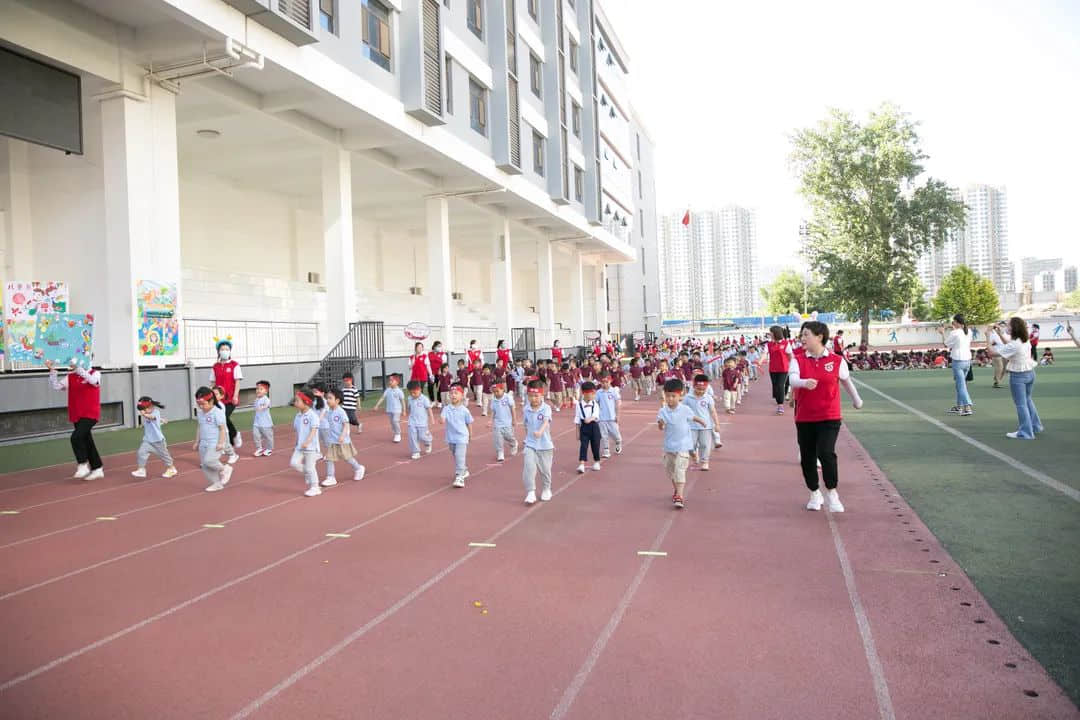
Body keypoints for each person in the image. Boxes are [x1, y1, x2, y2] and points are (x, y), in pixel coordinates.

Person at [787, 321, 863, 512]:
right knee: (807, 457)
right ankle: (814, 493)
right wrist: (804, 383)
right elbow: (793, 379)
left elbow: (846, 381)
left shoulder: (836, 360)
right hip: (805, 417)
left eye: (806, 335)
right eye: (801, 335)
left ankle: (832, 493)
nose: (802, 338)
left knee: (826, 452)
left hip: (830, 415)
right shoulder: (798, 359)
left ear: (819, 336)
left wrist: (856, 399)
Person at [45, 359, 105, 480]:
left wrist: (78, 369)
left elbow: (94, 382)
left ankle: (82, 464)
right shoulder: (70, 377)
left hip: (90, 413)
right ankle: (97, 468)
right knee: (87, 440)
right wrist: (51, 370)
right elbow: (57, 386)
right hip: (77, 413)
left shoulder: (95, 373)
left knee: (76, 437)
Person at [986, 318, 1042, 440]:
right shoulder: (1023, 340)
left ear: (1014, 328)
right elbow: (1009, 344)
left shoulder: (1015, 344)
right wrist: (1000, 334)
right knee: (1027, 400)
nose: (1006, 326)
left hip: (1019, 375)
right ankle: (1035, 426)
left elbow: (992, 353)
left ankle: (1025, 432)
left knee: (1021, 404)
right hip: (1030, 373)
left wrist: (987, 336)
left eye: (1009, 325)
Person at [657, 378, 706, 509]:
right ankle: (676, 490)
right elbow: (660, 427)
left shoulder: (684, 409)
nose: (670, 399)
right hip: (669, 447)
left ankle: (679, 496)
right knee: (671, 472)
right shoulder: (663, 411)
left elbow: (692, 417)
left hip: (682, 446)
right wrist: (661, 424)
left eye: (673, 396)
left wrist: (701, 421)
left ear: (680, 395)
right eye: (668, 396)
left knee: (680, 470)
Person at [320, 388, 366, 485]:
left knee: (347, 457)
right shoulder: (329, 411)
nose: (327, 400)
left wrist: (342, 435)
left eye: (330, 398)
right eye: (327, 398)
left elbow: (346, 425)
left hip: (342, 440)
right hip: (332, 440)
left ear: (337, 400)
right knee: (329, 458)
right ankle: (330, 477)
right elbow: (322, 416)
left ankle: (358, 468)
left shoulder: (341, 412)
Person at [521, 380, 555, 505]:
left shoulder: (546, 408)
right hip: (530, 444)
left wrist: (540, 431)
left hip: (545, 445)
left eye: (536, 396)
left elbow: (546, 421)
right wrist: (527, 438)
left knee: (545, 470)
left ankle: (546, 488)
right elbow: (525, 424)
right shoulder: (526, 409)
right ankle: (531, 492)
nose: (533, 399)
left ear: (542, 395)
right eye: (531, 396)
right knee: (528, 468)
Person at [193, 386, 232, 493]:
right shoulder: (200, 413)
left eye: (203, 404)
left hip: (215, 442)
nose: (201, 407)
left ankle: (225, 469)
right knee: (205, 466)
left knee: (209, 460)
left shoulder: (217, 412)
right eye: (199, 404)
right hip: (203, 443)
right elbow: (199, 427)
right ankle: (216, 483)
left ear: (211, 400)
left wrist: (221, 443)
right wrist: (197, 441)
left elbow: (222, 429)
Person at [131, 396, 177, 479]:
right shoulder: (148, 414)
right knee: (141, 452)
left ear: (151, 406)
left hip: (158, 441)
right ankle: (141, 470)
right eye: (142, 410)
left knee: (164, 456)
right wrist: (161, 420)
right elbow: (152, 420)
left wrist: (145, 414)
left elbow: (152, 417)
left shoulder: (155, 412)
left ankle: (172, 469)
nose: (144, 411)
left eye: (145, 409)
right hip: (148, 440)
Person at [210, 338, 243, 450]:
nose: (224, 350)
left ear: (230, 351)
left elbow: (237, 381)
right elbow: (213, 383)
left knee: (223, 417)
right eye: (222, 349)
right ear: (218, 351)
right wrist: (210, 396)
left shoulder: (234, 365)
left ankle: (234, 435)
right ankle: (227, 442)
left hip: (230, 398)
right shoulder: (215, 366)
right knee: (219, 420)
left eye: (227, 349)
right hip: (218, 398)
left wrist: (235, 396)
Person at [939, 314, 974, 417]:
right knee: (960, 384)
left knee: (961, 385)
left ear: (957, 323)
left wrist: (942, 333)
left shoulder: (955, 333)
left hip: (958, 361)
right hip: (967, 360)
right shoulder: (969, 331)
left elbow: (946, 344)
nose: (952, 324)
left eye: (953, 322)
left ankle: (967, 406)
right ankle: (959, 406)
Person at [684, 375, 720, 471]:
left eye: (703, 389)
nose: (700, 391)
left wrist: (717, 424)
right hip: (691, 426)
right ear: (694, 387)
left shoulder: (708, 398)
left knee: (705, 445)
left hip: (706, 426)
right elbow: (682, 410)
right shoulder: (688, 397)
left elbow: (713, 411)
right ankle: (694, 456)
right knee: (690, 445)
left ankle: (705, 461)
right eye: (698, 389)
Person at [440, 383, 474, 487]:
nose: (453, 395)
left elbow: (469, 423)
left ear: (462, 395)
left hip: (462, 437)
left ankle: (460, 477)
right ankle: (464, 469)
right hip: (451, 437)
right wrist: (441, 419)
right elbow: (442, 417)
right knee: (456, 455)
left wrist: (470, 435)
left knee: (459, 455)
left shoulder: (464, 410)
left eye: (456, 393)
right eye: (451, 393)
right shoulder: (446, 408)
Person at [291, 389, 323, 497]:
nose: (295, 403)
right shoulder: (298, 416)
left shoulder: (312, 416)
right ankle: (308, 473)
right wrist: (297, 443)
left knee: (310, 468)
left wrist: (307, 442)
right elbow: (298, 431)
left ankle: (315, 487)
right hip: (299, 447)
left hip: (310, 447)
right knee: (294, 463)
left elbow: (314, 431)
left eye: (297, 401)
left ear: (306, 402)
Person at [574, 381, 602, 473]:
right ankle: (582, 464)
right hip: (584, 428)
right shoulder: (579, 405)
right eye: (591, 393)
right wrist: (577, 432)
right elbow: (577, 419)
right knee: (583, 446)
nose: (593, 396)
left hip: (594, 426)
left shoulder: (595, 404)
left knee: (595, 445)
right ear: (584, 393)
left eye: (594, 393)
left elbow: (596, 415)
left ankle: (597, 462)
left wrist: (590, 419)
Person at [403, 380, 435, 460]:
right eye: (411, 393)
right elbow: (409, 408)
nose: (413, 395)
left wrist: (432, 419)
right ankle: (416, 452)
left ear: (420, 389)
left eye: (414, 393)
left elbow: (429, 409)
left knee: (422, 437)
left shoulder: (424, 399)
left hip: (422, 423)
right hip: (412, 422)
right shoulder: (410, 398)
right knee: (412, 437)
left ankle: (428, 441)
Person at [489, 381, 518, 462]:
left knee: (509, 436)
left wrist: (514, 419)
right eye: (494, 392)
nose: (496, 393)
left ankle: (513, 443)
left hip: (507, 422)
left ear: (503, 390)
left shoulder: (508, 397)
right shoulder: (494, 400)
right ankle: (500, 452)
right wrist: (490, 420)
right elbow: (493, 411)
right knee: (498, 438)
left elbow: (512, 408)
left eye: (497, 391)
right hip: (497, 423)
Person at [596, 373, 623, 457]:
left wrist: (618, 415)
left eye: (606, 382)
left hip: (612, 417)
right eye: (603, 382)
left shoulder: (614, 391)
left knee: (616, 434)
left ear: (610, 381)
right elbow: (596, 403)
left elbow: (618, 403)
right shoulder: (599, 392)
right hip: (602, 418)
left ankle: (618, 442)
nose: (604, 384)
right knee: (604, 435)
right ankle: (606, 450)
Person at [766, 325, 791, 415]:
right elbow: (765, 354)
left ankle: (780, 406)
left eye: (771, 332)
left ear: (775, 333)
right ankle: (778, 399)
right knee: (775, 386)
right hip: (773, 368)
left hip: (783, 368)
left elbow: (790, 356)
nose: (770, 334)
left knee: (780, 385)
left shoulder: (785, 343)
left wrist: (792, 365)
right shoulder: (769, 344)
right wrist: (760, 361)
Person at [373, 373, 405, 442]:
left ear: (397, 382)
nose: (389, 382)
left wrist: (404, 410)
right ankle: (395, 431)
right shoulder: (388, 390)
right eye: (389, 380)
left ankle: (398, 434)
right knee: (392, 422)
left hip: (397, 410)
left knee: (395, 421)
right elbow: (382, 398)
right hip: (389, 410)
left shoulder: (399, 391)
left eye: (392, 380)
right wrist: (377, 405)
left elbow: (402, 401)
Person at [212, 386, 239, 465]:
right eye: (212, 394)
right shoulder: (210, 405)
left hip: (223, 431)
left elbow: (221, 421)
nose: (214, 396)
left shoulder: (220, 406)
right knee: (213, 446)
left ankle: (233, 455)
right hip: (214, 431)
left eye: (216, 394)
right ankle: (211, 460)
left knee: (226, 446)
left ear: (222, 396)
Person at [252, 380, 274, 457]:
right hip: (257, 423)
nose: (258, 390)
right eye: (257, 389)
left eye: (261, 389)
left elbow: (266, 405)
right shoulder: (256, 400)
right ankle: (259, 448)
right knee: (256, 435)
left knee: (268, 437)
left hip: (266, 423)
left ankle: (269, 449)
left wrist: (262, 407)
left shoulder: (266, 399)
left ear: (266, 391)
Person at [990, 321, 1009, 388]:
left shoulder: (1007, 335)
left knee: (1004, 368)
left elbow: (1009, 344)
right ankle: (997, 382)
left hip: (1005, 353)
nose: (1002, 328)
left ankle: (997, 379)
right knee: (999, 367)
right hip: (996, 352)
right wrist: (992, 343)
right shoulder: (993, 334)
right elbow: (989, 343)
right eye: (1001, 326)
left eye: (1004, 326)